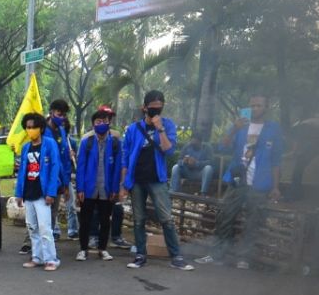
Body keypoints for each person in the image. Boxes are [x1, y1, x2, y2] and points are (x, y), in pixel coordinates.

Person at [197, 95, 285, 269]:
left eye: (259, 105)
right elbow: (222, 147)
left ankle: (244, 258)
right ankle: (217, 255)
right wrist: (234, 130)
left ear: (266, 108)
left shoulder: (273, 129)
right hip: (237, 180)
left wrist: (275, 186)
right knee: (224, 215)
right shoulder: (240, 126)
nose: (254, 108)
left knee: (253, 220)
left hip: (260, 182)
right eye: (252, 105)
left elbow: (276, 160)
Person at [120, 91, 194, 270]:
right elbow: (125, 157)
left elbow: (168, 150)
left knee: (166, 218)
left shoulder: (167, 125)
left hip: (157, 179)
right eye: (152, 107)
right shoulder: (133, 129)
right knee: (138, 219)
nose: (156, 110)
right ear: (144, 108)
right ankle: (140, 254)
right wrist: (123, 184)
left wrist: (159, 127)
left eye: (159, 107)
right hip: (136, 180)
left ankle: (176, 256)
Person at [74, 109, 123, 261]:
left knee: (105, 220)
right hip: (89, 189)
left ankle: (103, 249)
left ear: (109, 123)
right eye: (98, 122)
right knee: (86, 221)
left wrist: (115, 188)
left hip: (106, 189)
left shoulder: (115, 144)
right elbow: (80, 167)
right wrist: (80, 188)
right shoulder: (86, 143)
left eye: (104, 121)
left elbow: (117, 168)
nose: (101, 124)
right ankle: (83, 249)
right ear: (93, 124)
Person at [16, 113, 62, 271]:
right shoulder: (25, 148)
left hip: (42, 193)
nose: (30, 130)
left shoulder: (49, 144)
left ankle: (51, 259)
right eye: (28, 127)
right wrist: (19, 193)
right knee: (32, 227)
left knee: (45, 227)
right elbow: (22, 170)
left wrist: (51, 192)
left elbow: (55, 167)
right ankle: (37, 256)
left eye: (33, 127)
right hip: (28, 192)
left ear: (41, 128)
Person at [47, 99, 78, 240]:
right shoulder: (41, 131)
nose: (62, 117)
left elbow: (65, 159)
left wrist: (65, 184)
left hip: (59, 182)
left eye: (64, 115)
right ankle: (33, 245)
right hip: (44, 179)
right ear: (51, 112)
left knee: (53, 213)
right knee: (41, 214)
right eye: (59, 114)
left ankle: (48, 246)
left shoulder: (61, 132)